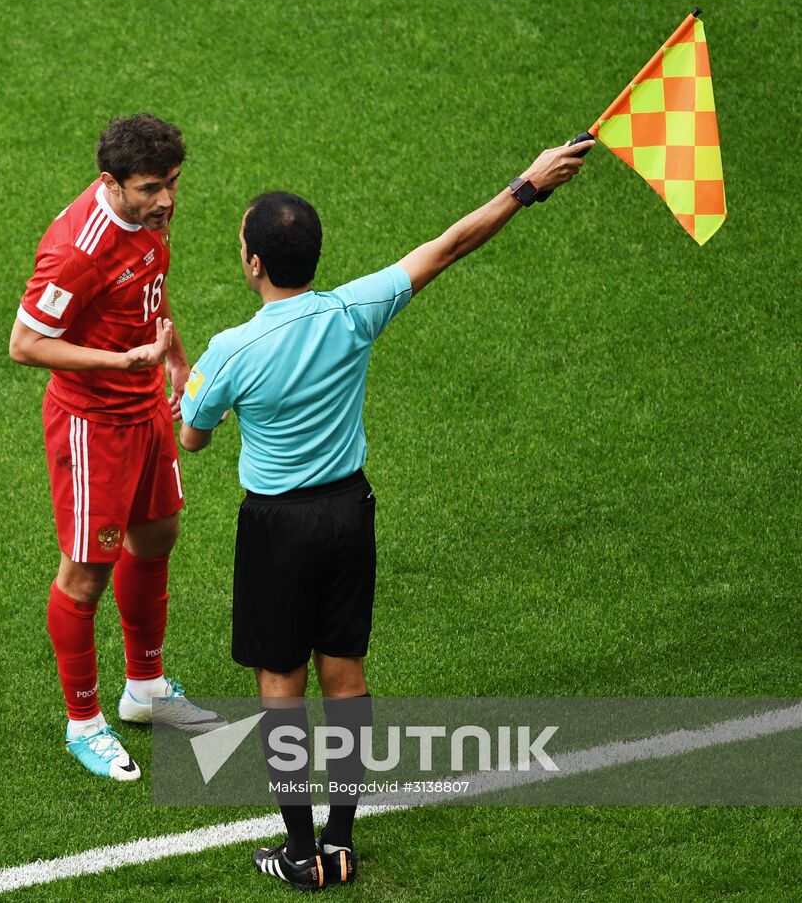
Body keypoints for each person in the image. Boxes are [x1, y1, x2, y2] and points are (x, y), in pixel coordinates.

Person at [179, 139, 592, 888]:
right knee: (345, 677)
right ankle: (340, 842)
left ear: (253, 264)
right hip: (348, 514)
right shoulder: (355, 309)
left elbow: (193, 437)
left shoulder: (230, 349)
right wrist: (528, 185)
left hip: (277, 527)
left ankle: (300, 854)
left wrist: (187, 378)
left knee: (281, 684)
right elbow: (452, 242)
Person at [9, 113, 223, 783]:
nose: (167, 200)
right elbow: (25, 343)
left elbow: (151, 296)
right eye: (153, 188)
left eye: (174, 183)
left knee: (157, 534)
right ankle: (83, 721)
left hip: (145, 406)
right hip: (92, 424)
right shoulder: (79, 248)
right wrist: (121, 362)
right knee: (86, 572)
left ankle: (146, 688)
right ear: (112, 183)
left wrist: (177, 363)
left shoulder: (150, 220)